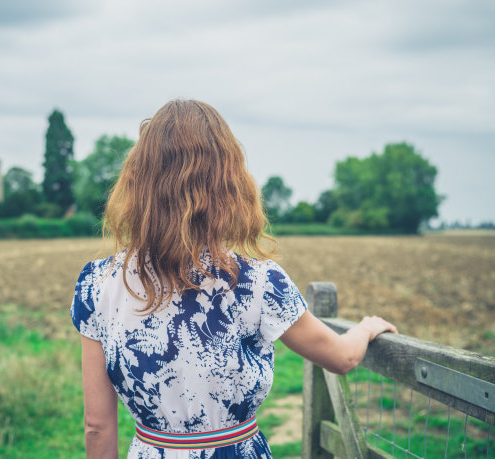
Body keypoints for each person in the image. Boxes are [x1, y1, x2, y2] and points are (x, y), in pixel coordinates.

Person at [70, 99, 397, 459]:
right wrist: (366, 328)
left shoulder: (96, 285)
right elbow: (342, 358)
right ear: (227, 185)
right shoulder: (258, 283)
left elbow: (96, 426)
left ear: (139, 184)